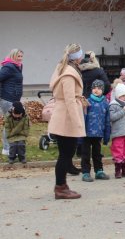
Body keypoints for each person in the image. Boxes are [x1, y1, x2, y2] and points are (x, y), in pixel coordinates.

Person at [48, 43, 87, 199]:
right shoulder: (69, 74)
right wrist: (77, 122)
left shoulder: (62, 68)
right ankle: (60, 188)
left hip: (62, 115)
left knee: (65, 154)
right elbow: (70, 100)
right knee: (66, 154)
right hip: (66, 118)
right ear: (78, 57)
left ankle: (62, 185)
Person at [81, 79, 111, 182]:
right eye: (94, 88)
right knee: (85, 153)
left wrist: (107, 135)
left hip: (98, 133)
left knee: (97, 153)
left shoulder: (105, 103)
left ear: (102, 90)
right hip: (87, 133)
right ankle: (85, 172)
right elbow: (82, 118)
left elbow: (107, 120)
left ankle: (99, 171)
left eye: (99, 88)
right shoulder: (87, 101)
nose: (96, 90)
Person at [0, 49, 24, 156]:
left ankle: (12, 147)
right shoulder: (9, 67)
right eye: (18, 56)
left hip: (14, 99)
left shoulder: (18, 66)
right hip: (7, 99)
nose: (20, 58)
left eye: (21, 56)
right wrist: (2, 94)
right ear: (13, 56)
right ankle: (6, 149)